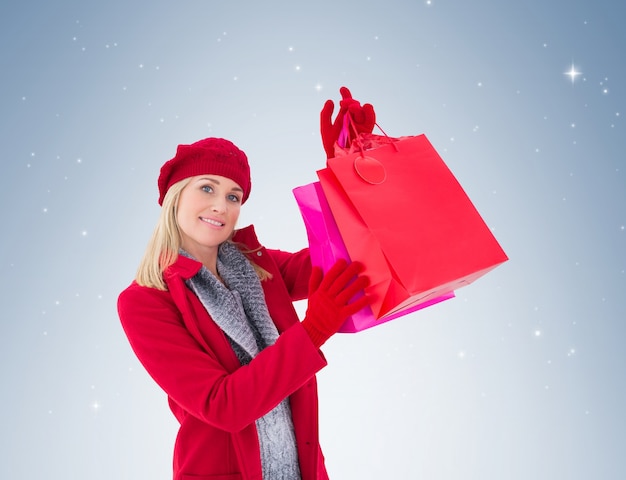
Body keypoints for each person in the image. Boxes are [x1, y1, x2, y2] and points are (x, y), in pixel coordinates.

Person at [118, 89, 375, 480]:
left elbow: (342, 259)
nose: (221, 205)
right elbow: (223, 406)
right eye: (207, 188)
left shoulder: (258, 266)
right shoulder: (144, 303)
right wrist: (314, 330)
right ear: (175, 197)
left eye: (233, 195)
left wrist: (347, 168)